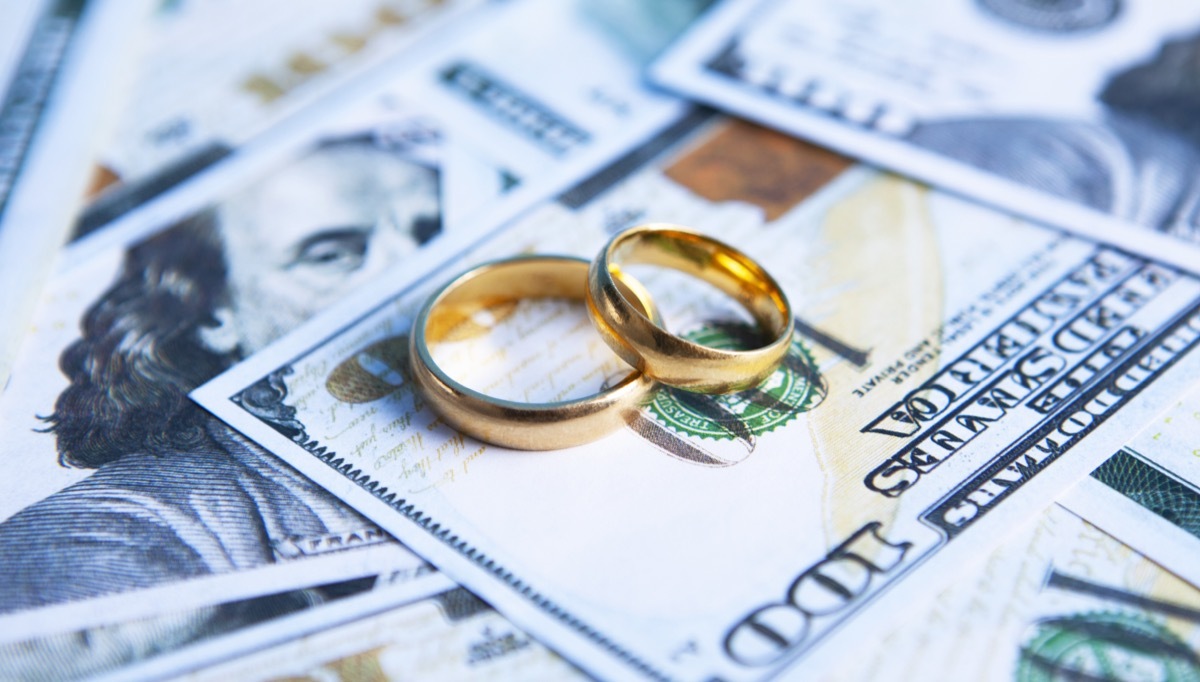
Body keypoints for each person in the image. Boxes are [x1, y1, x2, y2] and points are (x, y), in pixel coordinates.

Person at [0, 135, 440, 613]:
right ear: (213, 314)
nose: (421, 274)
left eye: (433, 234)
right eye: (331, 255)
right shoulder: (106, 540)